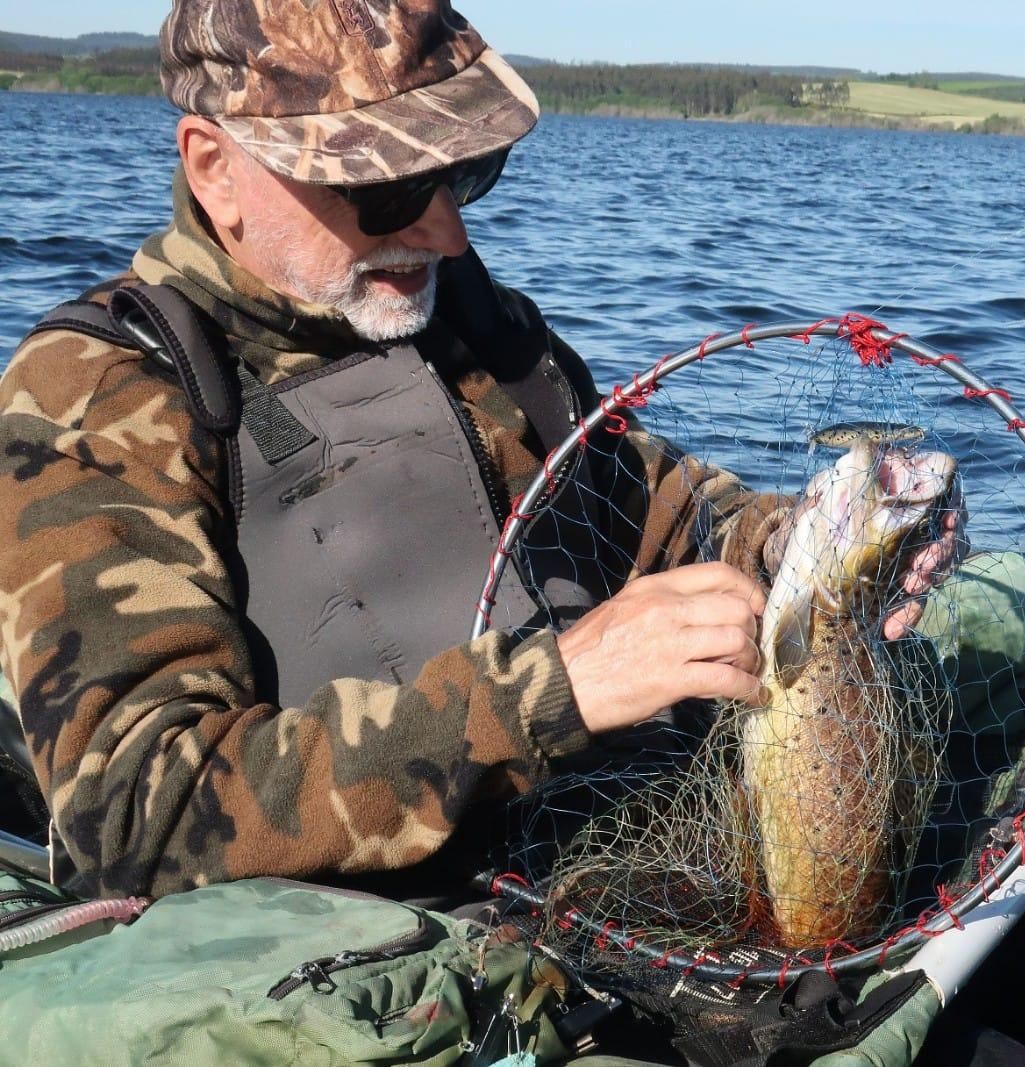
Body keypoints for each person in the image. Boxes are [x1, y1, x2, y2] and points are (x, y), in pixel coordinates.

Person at [0, 0, 950, 903]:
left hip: (628, 866)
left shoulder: (471, 320)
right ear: (216, 169)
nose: (448, 228)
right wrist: (552, 691)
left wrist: (805, 548)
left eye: (465, 173)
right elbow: (135, 813)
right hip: (399, 959)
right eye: (388, 187)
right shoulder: (99, 397)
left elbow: (657, 511)